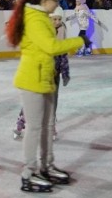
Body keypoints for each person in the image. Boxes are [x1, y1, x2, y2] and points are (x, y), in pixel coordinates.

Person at [6, 0, 86, 193]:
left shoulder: (42, 18)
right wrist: (79, 41)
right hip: (32, 79)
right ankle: (29, 172)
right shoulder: (35, 19)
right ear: (44, 2)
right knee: (34, 128)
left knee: (48, 125)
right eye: (55, 0)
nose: (58, 4)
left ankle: (46, 166)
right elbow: (50, 47)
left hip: (45, 77)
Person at [13, 9, 71, 141]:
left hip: (54, 74)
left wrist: (65, 72)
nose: (57, 22)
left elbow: (63, 54)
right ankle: (21, 123)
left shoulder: (62, 31)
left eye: (59, 19)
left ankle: (51, 127)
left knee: (52, 103)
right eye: (54, 19)